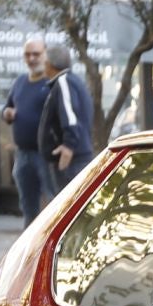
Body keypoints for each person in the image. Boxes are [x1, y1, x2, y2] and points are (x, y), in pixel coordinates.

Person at [0, 37, 53, 225]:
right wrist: (7, 113)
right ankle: (30, 247)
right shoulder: (20, 82)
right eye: (27, 54)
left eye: (36, 54)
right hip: (22, 154)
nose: (31, 58)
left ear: (45, 54)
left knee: (55, 202)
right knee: (27, 205)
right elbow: (7, 108)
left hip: (46, 154)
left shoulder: (51, 83)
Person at [37, 43, 95, 195]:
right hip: (76, 160)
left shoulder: (63, 82)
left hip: (72, 162)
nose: (43, 66)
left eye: (44, 62)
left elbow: (70, 118)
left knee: (69, 211)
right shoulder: (72, 81)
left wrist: (68, 148)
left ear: (50, 64)